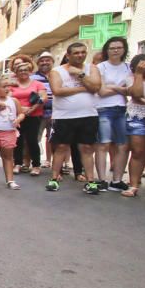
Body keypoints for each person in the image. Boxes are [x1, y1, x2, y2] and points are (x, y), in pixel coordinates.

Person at [45, 42, 102, 193]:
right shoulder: (56, 71)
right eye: (76, 53)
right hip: (64, 116)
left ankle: (91, 181)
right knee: (61, 147)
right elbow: (57, 90)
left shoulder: (92, 68)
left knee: (87, 147)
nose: (80, 55)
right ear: (68, 55)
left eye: (83, 52)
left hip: (88, 114)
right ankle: (54, 178)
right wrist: (84, 88)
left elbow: (96, 87)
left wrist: (80, 74)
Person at [93, 36, 132, 191]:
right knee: (103, 144)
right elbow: (101, 91)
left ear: (124, 50)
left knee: (123, 145)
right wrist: (119, 88)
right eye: (112, 48)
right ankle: (102, 179)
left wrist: (113, 86)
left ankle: (117, 180)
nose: (116, 50)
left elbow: (131, 90)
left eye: (119, 47)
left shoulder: (128, 67)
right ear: (106, 50)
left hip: (122, 109)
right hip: (103, 109)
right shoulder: (100, 67)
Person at [122, 54, 145, 198]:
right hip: (138, 115)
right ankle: (133, 185)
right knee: (138, 151)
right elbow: (136, 93)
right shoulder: (133, 76)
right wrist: (139, 74)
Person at [9, 55, 48, 175]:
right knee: (18, 140)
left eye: (25, 70)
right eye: (20, 70)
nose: (23, 72)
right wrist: (21, 109)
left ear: (30, 72)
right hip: (17, 115)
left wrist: (31, 109)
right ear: (16, 72)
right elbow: (8, 98)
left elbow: (43, 98)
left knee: (32, 141)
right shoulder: (13, 85)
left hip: (34, 115)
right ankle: (18, 164)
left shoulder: (37, 84)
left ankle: (36, 165)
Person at [31, 52, 55, 168]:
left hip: (57, 112)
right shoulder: (33, 77)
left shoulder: (57, 75)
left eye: (47, 60)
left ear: (52, 62)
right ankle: (35, 162)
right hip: (39, 112)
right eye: (42, 60)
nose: (45, 62)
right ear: (38, 63)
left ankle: (49, 161)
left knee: (53, 138)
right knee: (36, 138)